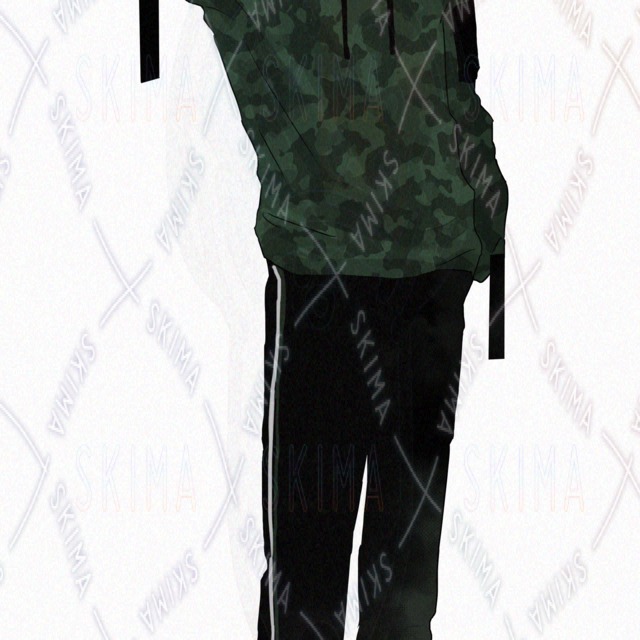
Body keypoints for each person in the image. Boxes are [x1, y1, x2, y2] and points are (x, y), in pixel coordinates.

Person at [161, 0, 508, 636]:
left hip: (421, 273)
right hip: (334, 275)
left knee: (390, 587)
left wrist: (487, 212)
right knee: (316, 580)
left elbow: (462, 74)